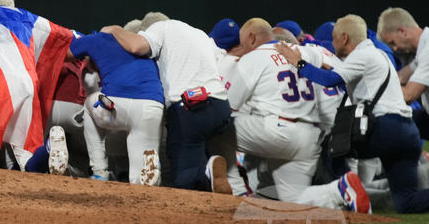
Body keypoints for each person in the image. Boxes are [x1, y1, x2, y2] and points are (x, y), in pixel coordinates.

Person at [277, 15, 429, 214]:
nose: (333, 44)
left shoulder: (361, 55)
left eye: (335, 39)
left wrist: (300, 64)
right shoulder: (376, 53)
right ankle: (351, 192)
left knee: (332, 146)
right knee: (407, 202)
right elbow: (344, 74)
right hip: (408, 132)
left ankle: (345, 195)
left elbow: (331, 80)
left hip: (386, 128)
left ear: (344, 38)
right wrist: (325, 66)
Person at [216, 19, 368, 211]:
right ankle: (340, 190)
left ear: (252, 37)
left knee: (215, 127)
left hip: (275, 131)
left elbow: (229, 106)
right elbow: (333, 68)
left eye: (243, 41)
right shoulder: (305, 52)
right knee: (294, 199)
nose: (242, 47)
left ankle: (238, 192)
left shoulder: (253, 58)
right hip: (310, 138)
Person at [101, 13, 232, 194]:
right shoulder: (200, 34)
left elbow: (137, 46)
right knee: (196, 154)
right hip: (221, 107)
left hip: (190, 110)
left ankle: (205, 174)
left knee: (183, 181)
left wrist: (116, 29)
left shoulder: (161, 27)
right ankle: (208, 177)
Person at [71, 25, 164, 185]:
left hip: (115, 105)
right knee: (138, 181)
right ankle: (146, 173)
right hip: (151, 107)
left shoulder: (97, 39)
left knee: (88, 104)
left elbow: (61, 53)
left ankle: (100, 171)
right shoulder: (147, 50)